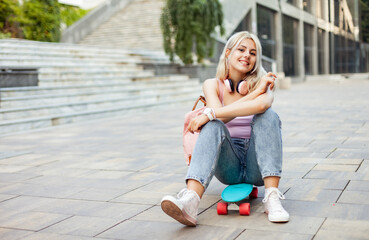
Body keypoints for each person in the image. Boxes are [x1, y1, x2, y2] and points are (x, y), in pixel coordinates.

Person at [161, 31, 289, 227]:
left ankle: (272, 199)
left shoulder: (265, 82)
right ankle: (190, 202)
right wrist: (212, 114)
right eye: (241, 49)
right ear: (228, 53)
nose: (247, 55)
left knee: (269, 115)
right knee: (213, 123)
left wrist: (258, 91)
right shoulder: (212, 85)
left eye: (253, 53)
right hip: (228, 165)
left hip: (258, 164)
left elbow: (262, 106)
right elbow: (220, 114)